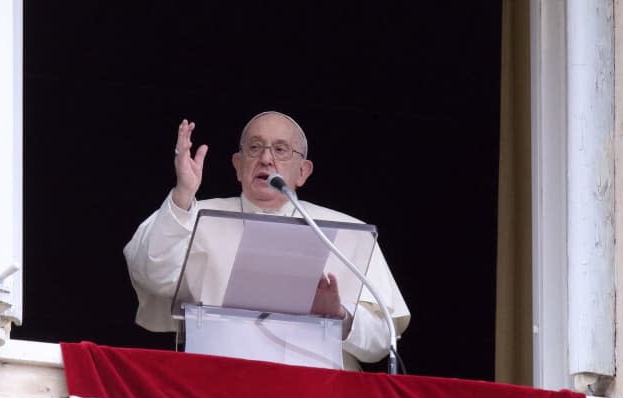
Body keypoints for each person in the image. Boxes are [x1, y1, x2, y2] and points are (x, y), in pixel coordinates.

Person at [124, 111, 410, 370]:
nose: (266, 158)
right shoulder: (194, 215)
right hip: (216, 393)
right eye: (255, 147)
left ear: (302, 171)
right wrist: (183, 193)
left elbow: (382, 338)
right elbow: (152, 273)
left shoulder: (346, 232)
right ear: (238, 165)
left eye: (281, 149)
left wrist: (340, 317)